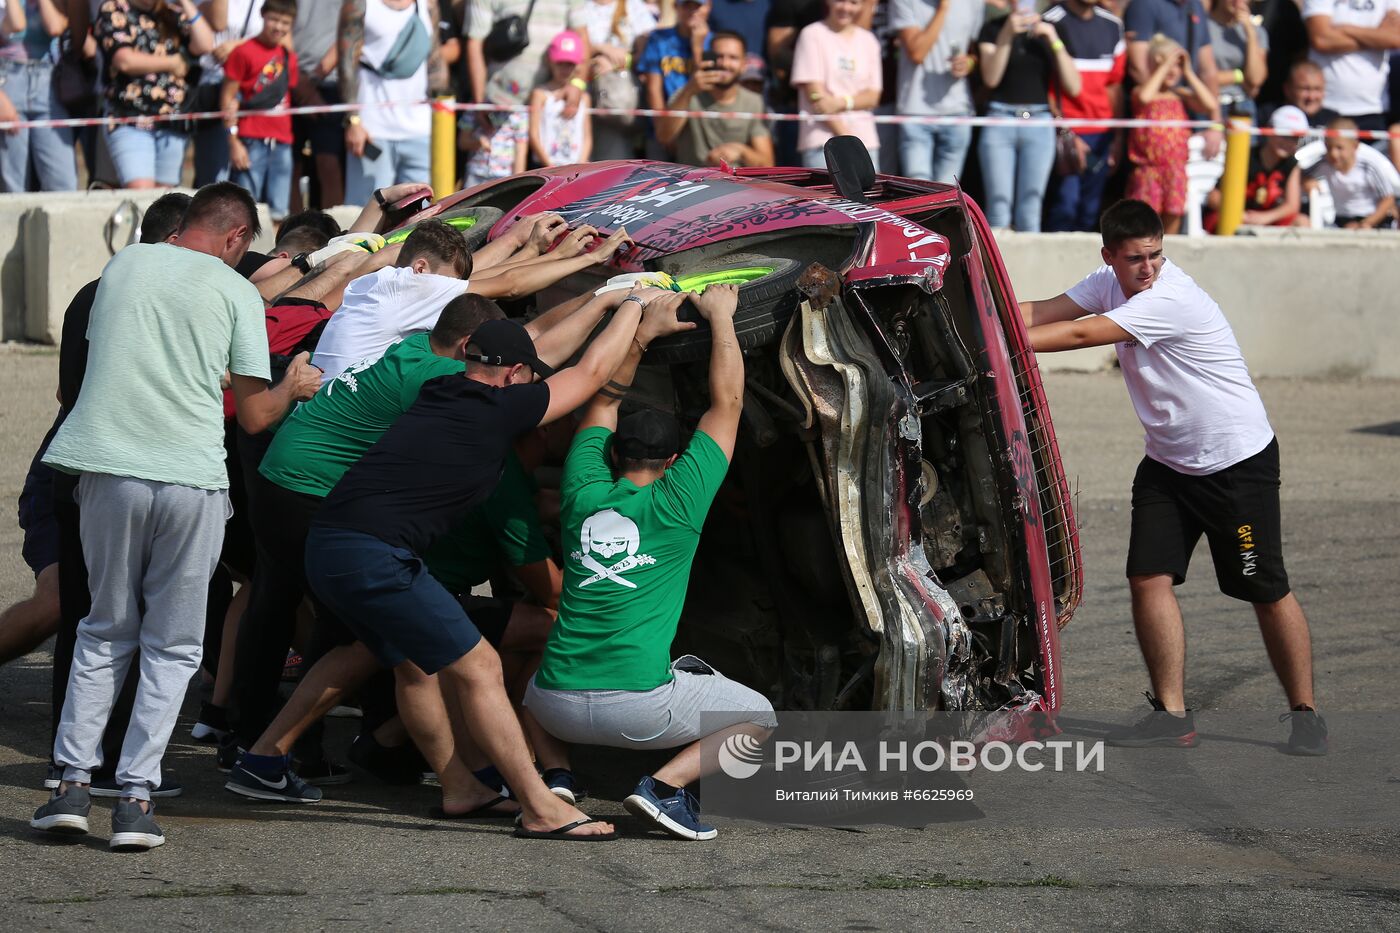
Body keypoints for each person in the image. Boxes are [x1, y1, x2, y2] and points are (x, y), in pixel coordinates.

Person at [226, 286, 634, 802]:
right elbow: (581, 371)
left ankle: (277, 756)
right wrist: (634, 310)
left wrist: (598, 300)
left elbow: (529, 345)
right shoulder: (474, 400)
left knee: (384, 651)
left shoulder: (421, 353)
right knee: (465, 662)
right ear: (503, 374)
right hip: (341, 523)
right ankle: (535, 800)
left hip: (319, 511)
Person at [30, 183, 323, 851]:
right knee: (173, 643)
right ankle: (135, 797)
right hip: (190, 479)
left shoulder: (124, 267)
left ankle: (71, 785)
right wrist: (295, 386)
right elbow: (255, 414)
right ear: (235, 239)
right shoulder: (237, 293)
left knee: (104, 627)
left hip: (107, 466)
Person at [1018, 198, 1327, 757]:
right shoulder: (1107, 280)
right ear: (1109, 255)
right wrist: (968, 314)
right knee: (1148, 578)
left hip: (1235, 464)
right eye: (1136, 259)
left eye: (1157, 255)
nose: (1149, 269)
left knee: (1264, 589)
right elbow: (1041, 312)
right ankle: (1173, 715)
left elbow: (1082, 336)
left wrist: (989, 345)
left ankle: (1305, 713)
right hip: (1167, 463)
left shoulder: (1171, 298)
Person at [524, 284, 777, 842]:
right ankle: (662, 789)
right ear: (673, 459)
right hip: (641, 713)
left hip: (555, 708)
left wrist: (642, 334)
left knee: (522, 676)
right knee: (759, 717)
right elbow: (726, 405)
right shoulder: (680, 499)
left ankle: (557, 773)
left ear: (613, 454)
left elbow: (603, 400)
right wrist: (721, 317)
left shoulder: (581, 488)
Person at [39, 192, 192, 798]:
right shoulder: (150, 298)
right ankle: (106, 764)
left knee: (91, 619)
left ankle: (74, 757)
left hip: (79, 462)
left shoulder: (97, 290)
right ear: (176, 241)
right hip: (121, 467)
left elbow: (64, 392)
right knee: (126, 623)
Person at [310, 219, 473, 383]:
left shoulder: (374, 284)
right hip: (344, 404)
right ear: (420, 269)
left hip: (321, 401)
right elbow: (498, 284)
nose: (447, 288)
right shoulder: (408, 288)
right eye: (448, 283)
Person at [977, 7, 1082, 231]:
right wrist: (1006, 34)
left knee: (1031, 207)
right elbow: (991, 78)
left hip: (1039, 121)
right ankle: (996, 265)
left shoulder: (1053, 27)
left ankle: (1026, 267)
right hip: (999, 118)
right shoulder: (993, 28)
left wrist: (1053, 39)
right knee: (998, 205)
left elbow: (1074, 85)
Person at [93, 0, 215, 188]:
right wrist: (173, 63)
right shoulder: (115, 8)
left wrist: (185, 3)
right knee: (142, 195)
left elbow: (206, 44)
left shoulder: (171, 13)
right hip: (130, 119)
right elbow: (125, 61)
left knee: (165, 203)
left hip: (172, 124)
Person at [339, 0, 447, 205]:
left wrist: (440, 118)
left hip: (419, 130)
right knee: (365, 214)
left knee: (420, 214)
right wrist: (353, 120)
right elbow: (346, 63)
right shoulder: (360, 4)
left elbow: (434, 61)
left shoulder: (427, 5)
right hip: (372, 130)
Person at [464, 0, 575, 183]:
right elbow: (474, 43)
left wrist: (577, 84)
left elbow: (581, 35)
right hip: (497, 102)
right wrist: (480, 101)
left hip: (547, 111)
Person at [1043, 0, 1127, 232]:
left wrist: (1117, 138)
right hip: (1065, 134)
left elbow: (1114, 86)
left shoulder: (1112, 25)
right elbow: (1045, 87)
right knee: (1065, 208)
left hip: (1102, 136)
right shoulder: (1050, 20)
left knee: (1091, 212)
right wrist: (1067, 134)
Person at [1126, 34, 1216, 234]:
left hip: (1175, 171)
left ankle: (1165, 262)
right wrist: (1164, 66)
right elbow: (1145, 96)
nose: (1170, 70)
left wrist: (1189, 72)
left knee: (1172, 220)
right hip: (1148, 170)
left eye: (1175, 65)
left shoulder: (1180, 95)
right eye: (1164, 64)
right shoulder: (1141, 91)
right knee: (1145, 224)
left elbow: (1210, 105)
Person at [221, 0, 299, 222]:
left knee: (279, 211)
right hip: (250, 140)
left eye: (285, 23)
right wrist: (233, 142)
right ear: (263, 16)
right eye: (274, 19)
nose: (279, 27)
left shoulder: (289, 57)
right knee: (245, 209)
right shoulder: (243, 52)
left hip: (282, 141)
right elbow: (227, 99)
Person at [890, 0, 983, 183]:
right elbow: (917, 52)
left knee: (948, 198)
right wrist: (943, 8)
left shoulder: (975, 3)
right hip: (915, 112)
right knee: (918, 195)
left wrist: (969, 63)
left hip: (958, 111)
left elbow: (974, 50)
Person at [656, 29, 774, 166]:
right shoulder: (687, 93)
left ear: (743, 65)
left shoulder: (753, 101)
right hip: (693, 182)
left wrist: (741, 151)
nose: (724, 64)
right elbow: (663, 137)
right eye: (719, 56)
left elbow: (767, 163)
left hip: (735, 184)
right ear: (708, 58)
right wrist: (688, 92)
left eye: (733, 58)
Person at [1124, 0, 1224, 159]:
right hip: (1148, 158)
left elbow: (1208, 72)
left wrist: (1216, 125)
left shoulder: (1195, 6)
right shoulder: (1144, 4)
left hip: (1177, 161)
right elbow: (1139, 68)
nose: (1173, 70)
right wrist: (1165, 73)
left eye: (1176, 66)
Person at [791, 0, 882, 170]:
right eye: (841, 1)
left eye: (853, 2)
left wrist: (839, 102)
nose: (846, 8)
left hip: (866, 143)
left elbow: (873, 97)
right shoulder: (811, 34)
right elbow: (815, 95)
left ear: (862, 6)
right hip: (823, 144)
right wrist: (849, 140)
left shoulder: (869, 40)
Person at [0, 0, 79, 192]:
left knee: (63, 181)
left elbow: (55, 27)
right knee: (13, 182)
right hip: (8, 84)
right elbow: (16, 24)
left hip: (47, 85)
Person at [189, 0, 267, 188]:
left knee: (248, 176)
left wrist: (239, 47)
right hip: (215, 86)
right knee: (214, 178)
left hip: (251, 91)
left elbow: (282, 37)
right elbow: (219, 23)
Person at [1303, 0, 1400, 149]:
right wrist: (1377, 35)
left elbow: (1395, 39)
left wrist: (1345, 29)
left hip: (1373, 107)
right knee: (1320, 170)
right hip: (1325, 105)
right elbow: (1321, 39)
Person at [568, 0, 655, 160]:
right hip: (581, 94)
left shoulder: (634, 7)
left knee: (612, 162)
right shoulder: (579, 5)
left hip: (615, 99)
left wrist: (617, 64)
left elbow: (647, 51)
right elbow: (566, 43)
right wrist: (599, 51)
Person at [1204, 104, 1307, 230]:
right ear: (1269, 130)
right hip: (1236, 219)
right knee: (1222, 221)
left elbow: (1292, 205)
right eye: (1285, 135)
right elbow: (1214, 197)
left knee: (1302, 222)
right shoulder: (1245, 157)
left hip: (1267, 221)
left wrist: (1265, 218)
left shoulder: (1291, 164)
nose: (1289, 142)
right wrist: (1240, 215)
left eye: (1295, 138)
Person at [289, 0, 346, 209]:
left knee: (329, 164)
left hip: (330, 84)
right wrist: (298, 81)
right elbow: (280, 21)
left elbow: (349, 32)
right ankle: (291, 232)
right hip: (290, 80)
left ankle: (338, 234)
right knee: (290, 166)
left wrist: (313, 79)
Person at [639, 0, 712, 156]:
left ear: (709, 7)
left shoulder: (715, 42)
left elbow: (706, 82)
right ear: (675, 7)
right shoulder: (659, 39)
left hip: (699, 131)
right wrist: (663, 129)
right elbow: (653, 89)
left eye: (697, 6)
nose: (692, 11)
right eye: (686, 5)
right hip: (663, 123)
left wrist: (698, 47)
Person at [1304, 115, 1400, 227]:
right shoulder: (1323, 163)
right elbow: (1299, 175)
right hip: (1340, 220)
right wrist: (1306, 180)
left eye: (1339, 148)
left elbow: (1388, 198)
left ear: (1355, 146)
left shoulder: (1369, 166)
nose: (1333, 154)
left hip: (1372, 219)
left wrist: (1367, 223)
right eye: (1328, 147)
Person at [528, 30, 592, 167]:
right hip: (544, 166)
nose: (565, 69)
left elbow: (587, 137)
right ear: (551, 62)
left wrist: (580, 166)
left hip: (575, 167)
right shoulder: (540, 94)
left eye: (570, 64)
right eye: (560, 63)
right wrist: (549, 166)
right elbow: (533, 134)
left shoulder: (584, 98)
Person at [1206, 0, 1267, 121]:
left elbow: (1256, 79)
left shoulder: (1257, 32)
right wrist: (1238, 76)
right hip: (1209, 104)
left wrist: (1250, 33)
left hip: (1242, 106)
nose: (1238, 1)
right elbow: (1201, 76)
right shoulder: (1203, 26)